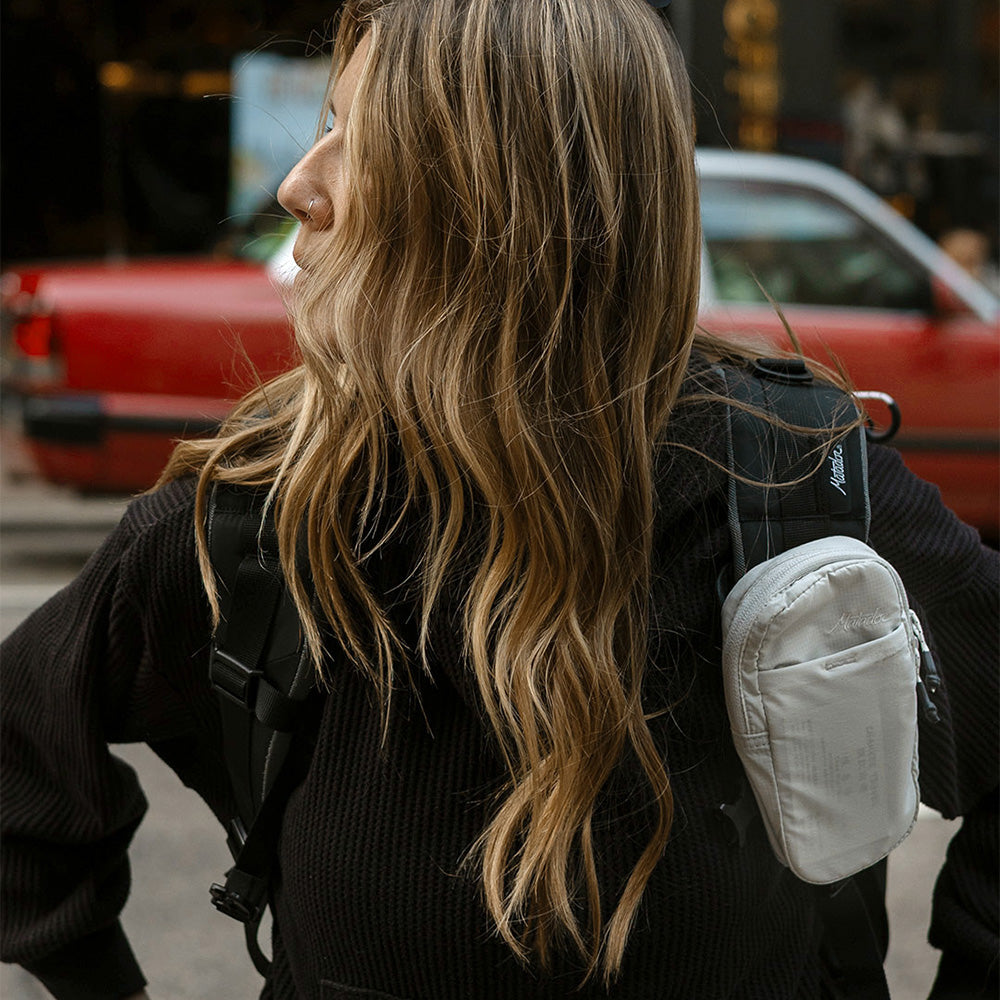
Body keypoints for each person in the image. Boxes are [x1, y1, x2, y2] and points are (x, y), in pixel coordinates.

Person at [2, 2, 997, 998]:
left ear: (497, 200)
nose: (298, 186)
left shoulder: (797, 486)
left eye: (361, 138)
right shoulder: (254, 519)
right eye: (323, 129)